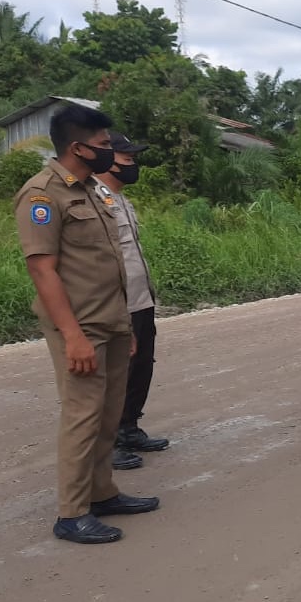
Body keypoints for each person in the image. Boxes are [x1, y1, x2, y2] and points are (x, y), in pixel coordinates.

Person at [13, 105, 159, 544]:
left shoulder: (93, 191)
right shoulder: (42, 195)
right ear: (77, 147)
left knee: (109, 413)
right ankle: (72, 513)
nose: (108, 151)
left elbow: (109, 262)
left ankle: (102, 492)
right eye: (102, 144)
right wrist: (73, 335)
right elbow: (42, 270)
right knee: (83, 415)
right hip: (80, 326)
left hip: (111, 320)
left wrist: (125, 325)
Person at [94, 131, 170, 469]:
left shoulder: (121, 199)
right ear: (108, 160)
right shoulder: (94, 199)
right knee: (115, 373)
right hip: (117, 302)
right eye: (127, 158)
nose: (133, 164)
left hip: (140, 298)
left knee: (140, 367)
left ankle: (128, 428)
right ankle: (106, 443)